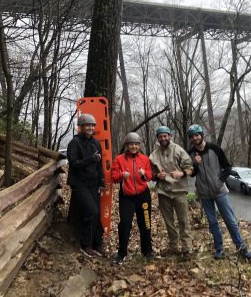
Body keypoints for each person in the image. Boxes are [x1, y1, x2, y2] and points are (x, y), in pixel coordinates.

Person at [187, 124, 251, 260]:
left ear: (201, 135)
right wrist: (195, 164)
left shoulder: (214, 149)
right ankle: (219, 249)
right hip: (204, 193)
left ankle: (241, 247)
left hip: (220, 192)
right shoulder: (191, 154)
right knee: (212, 222)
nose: (195, 138)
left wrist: (219, 181)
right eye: (192, 136)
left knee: (230, 221)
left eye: (197, 135)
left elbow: (228, 167)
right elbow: (192, 174)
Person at [149, 126, 194, 260]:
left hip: (179, 190)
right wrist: (157, 176)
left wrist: (182, 173)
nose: (163, 138)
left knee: (183, 221)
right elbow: (150, 174)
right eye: (160, 136)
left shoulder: (179, 150)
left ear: (170, 136)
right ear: (157, 138)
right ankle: (173, 246)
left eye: (165, 136)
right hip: (163, 192)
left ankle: (187, 249)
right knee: (169, 222)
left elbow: (190, 168)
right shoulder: (153, 155)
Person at [67, 113, 105, 258]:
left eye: (92, 125)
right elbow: (74, 164)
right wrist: (91, 159)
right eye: (87, 125)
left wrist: (101, 183)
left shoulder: (96, 143)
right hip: (79, 184)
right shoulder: (74, 143)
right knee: (92, 212)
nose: (90, 128)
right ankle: (85, 245)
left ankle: (97, 243)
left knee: (97, 214)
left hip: (93, 184)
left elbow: (99, 166)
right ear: (81, 127)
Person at [111, 132, 154, 264]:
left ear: (139, 146)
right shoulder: (119, 159)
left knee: (145, 223)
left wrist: (144, 174)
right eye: (131, 144)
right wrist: (121, 175)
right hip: (126, 196)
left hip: (143, 195)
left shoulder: (145, 159)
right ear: (127, 145)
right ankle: (122, 253)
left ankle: (147, 251)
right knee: (125, 224)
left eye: (136, 144)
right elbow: (113, 177)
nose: (134, 147)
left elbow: (150, 176)